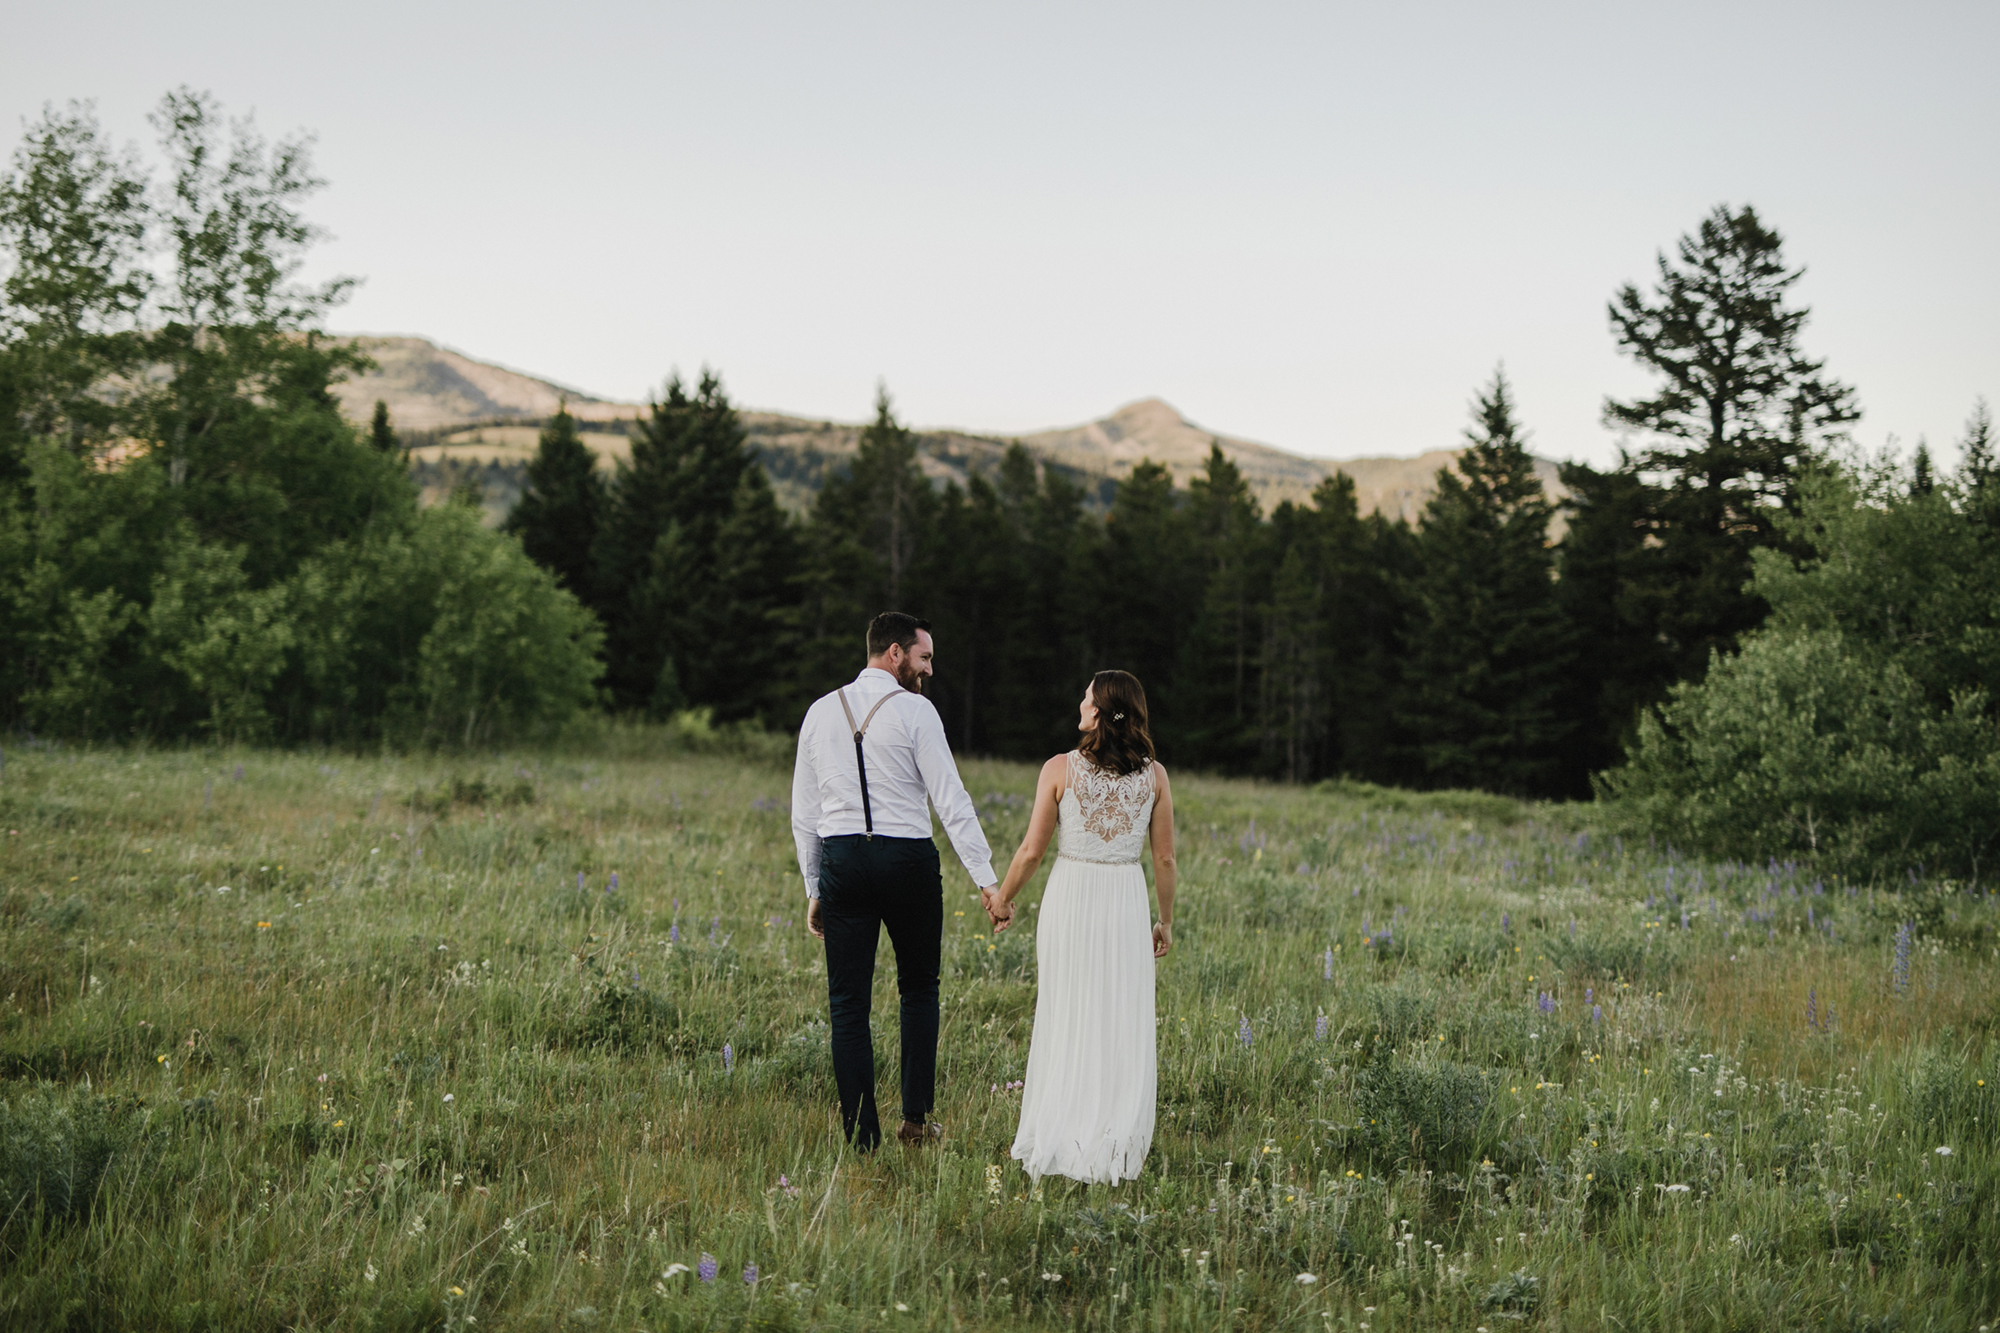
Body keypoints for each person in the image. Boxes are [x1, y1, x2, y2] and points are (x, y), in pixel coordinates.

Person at [793, 612, 999, 1150]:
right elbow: (951, 800)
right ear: (893, 653)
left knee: (847, 1004)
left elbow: (804, 812)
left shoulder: (819, 712)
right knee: (918, 988)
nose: (928, 670)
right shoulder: (915, 710)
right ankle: (915, 1121)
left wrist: (814, 886)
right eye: (923, 657)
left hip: (841, 861)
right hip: (906, 860)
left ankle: (862, 1139)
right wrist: (987, 880)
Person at [983, 669, 1176, 1183]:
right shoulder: (1155, 778)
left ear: (1101, 711)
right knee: (1117, 1015)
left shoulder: (1058, 769)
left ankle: (1063, 1130)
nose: (1080, 700)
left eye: (1087, 696)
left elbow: (1031, 851)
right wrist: (1165, 920)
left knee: (1068, 1010)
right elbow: (1165, 862)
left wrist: (1003, 900)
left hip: (1072, 897)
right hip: (1125, 900)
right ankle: (1110, 1136)